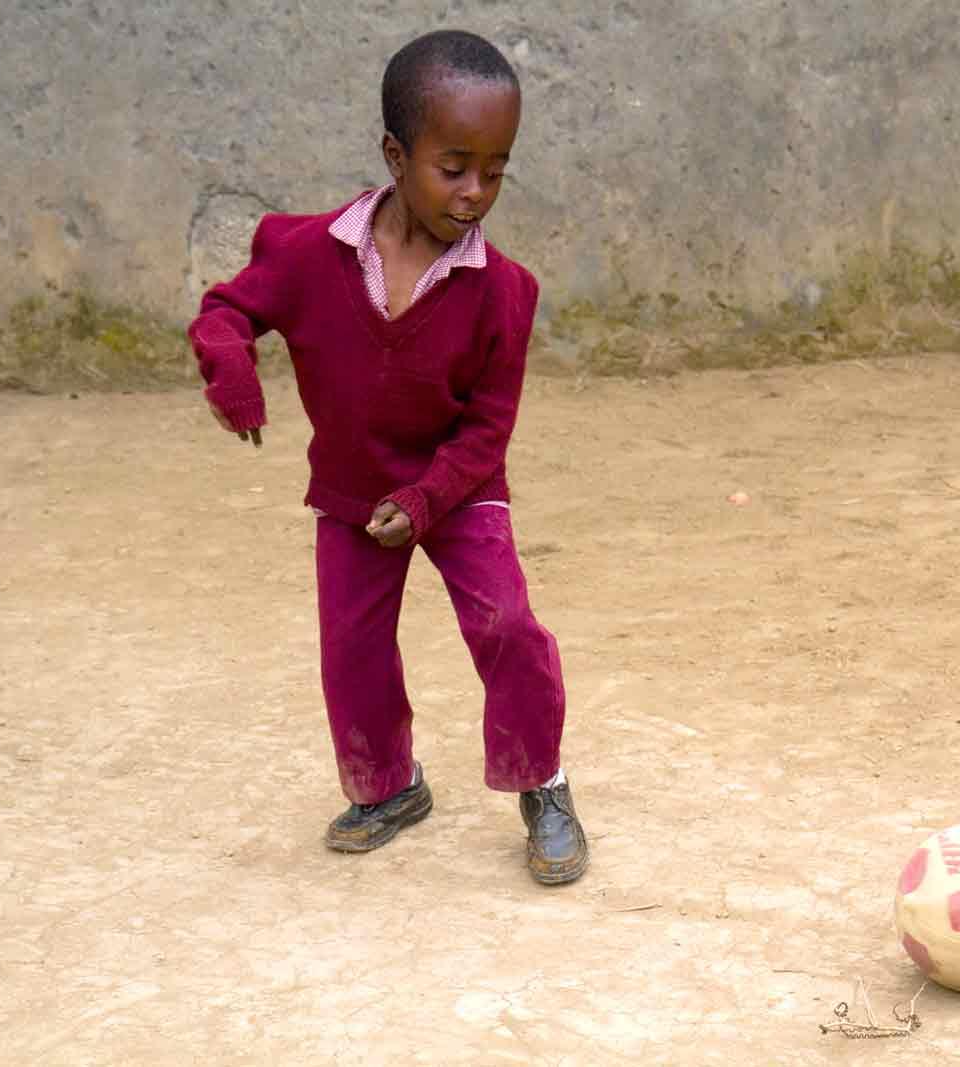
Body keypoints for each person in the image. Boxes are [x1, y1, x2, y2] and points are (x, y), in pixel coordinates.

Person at [186, 30, 588, 885]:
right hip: (353, 491)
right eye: (454, 167)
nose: (476, 193)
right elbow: (226, 310)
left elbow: (487, 430)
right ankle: (391, 786)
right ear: (396, 156)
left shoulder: (504, 292)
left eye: (496, 171)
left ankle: (544, 783)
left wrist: (429, 497)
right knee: (352, 649)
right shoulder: (308, 253)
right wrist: (230, 368)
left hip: (459, 486)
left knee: (507, 624)